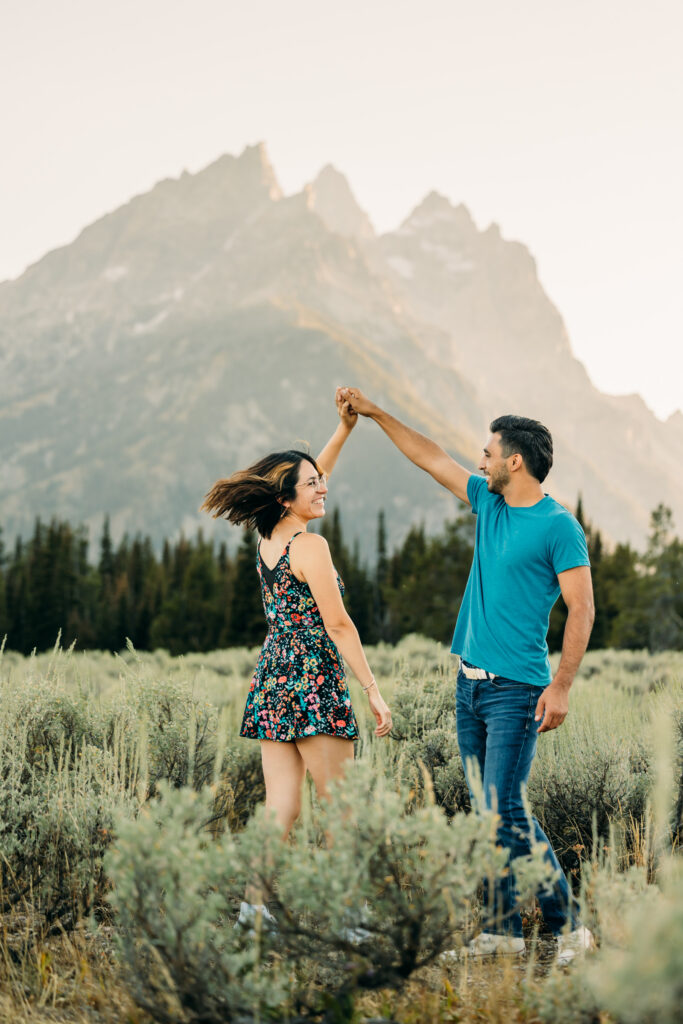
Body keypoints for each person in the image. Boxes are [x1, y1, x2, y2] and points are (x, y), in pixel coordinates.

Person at [338, 387, 595, 965]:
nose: (479, 461)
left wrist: (561, 685)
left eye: (487, 453)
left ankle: (570, 927)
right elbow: (430, 457)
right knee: (486, 813)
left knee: (506, 810)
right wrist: (375, 414)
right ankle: (502, 931)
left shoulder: (559, 527)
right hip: (469, 687)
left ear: (514, 461)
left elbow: (582, 608)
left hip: (517, 691)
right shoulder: (489, 502)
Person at [200, 394, 392, 930]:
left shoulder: (270, 539)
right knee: (341, 805)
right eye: (312, 485)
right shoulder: (312, 547)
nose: (323, 487)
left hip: (273, 678)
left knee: (280, 807)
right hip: (313, 679)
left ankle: (252, 910)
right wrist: (372, 689)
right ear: (287, 499)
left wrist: (343, 429)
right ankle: (347, 917)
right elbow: (339, 625)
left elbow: (308, 479)